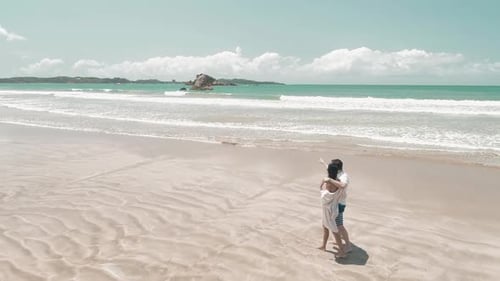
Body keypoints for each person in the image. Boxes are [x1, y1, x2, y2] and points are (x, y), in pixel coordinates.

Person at [319, 158, 352, 253]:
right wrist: (323, 163)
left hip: (339, 204)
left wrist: (329, 180)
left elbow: (343, 185)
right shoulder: (337, 173)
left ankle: (348, 245)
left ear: (337, 169)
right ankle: (338, 242)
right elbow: (329, 169)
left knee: (339, 225)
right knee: (335, 225)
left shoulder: (344, 176)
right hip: (334, 202)